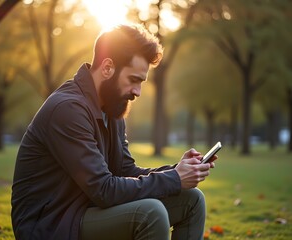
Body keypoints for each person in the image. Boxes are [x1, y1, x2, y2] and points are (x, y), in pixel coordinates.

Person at [11, 24, 216, 240]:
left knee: (191, 200)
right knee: (150, 213)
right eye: (133, 80)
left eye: (141, 82)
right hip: (50, 225)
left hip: (84, 211)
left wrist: (178, 171)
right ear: (108, 67)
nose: (137, 91)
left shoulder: (111, 107)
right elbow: (104, 190)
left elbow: (124, 169)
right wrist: (173, 178)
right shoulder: (67, 109)